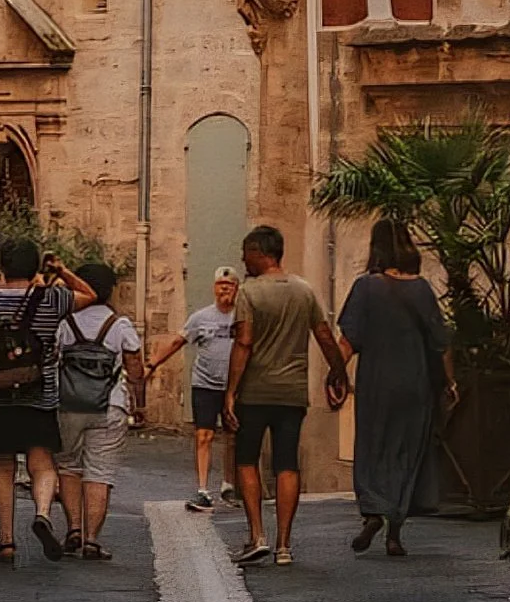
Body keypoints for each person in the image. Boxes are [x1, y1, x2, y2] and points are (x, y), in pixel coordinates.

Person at [0, 240, 95, 564]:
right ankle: (42, 513)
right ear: (35, 267)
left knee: (2, 466)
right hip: (38, 396)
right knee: (42, 463)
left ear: (1, 265)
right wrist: (62, 270)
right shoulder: (52, 298)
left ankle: (6, 542)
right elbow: (90, 295)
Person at [222, 223, 348, 568]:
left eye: (246, 253)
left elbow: (244, 343)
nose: (243, 260)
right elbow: (324, 335)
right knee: (287, 463)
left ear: (260, 253)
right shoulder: (304, 291)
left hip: (255, 391)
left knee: (246, 460)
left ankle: (257, 535)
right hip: (292, 392)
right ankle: (284, 545)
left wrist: (230, 391)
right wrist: (339, 373)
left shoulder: (249, 293)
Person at [338, 217, 455, 558]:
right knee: (407, 450)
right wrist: (450, 382)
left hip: (377, 384)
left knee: (373, 447)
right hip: (415, 383)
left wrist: (335, 375)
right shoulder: (422, 289)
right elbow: (442, 343)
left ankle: (373, 511)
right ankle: (395, 530)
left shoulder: (365, 287)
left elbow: (348, 340)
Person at [54, 263, 146, 559]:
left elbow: (51, 359)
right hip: (110, 405)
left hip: (68, 403)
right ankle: (92, 539)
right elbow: (135, 368)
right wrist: (139, 404)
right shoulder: (120, 325)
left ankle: (73, 529)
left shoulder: (65, 323)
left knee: (68, 466)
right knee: (100, 472)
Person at [146, 266, 241, 510]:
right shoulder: (201, 317)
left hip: (233, 386)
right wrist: (153, 364)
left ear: (237, 289)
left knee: (232, 436)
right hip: (205, 383)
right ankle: (202, 489)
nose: (224, 290)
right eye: (220, 285)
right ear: (214, 288)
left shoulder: (242, 318)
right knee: (203, 435)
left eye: (229, 286)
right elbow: (178, 341)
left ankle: (229, 485)